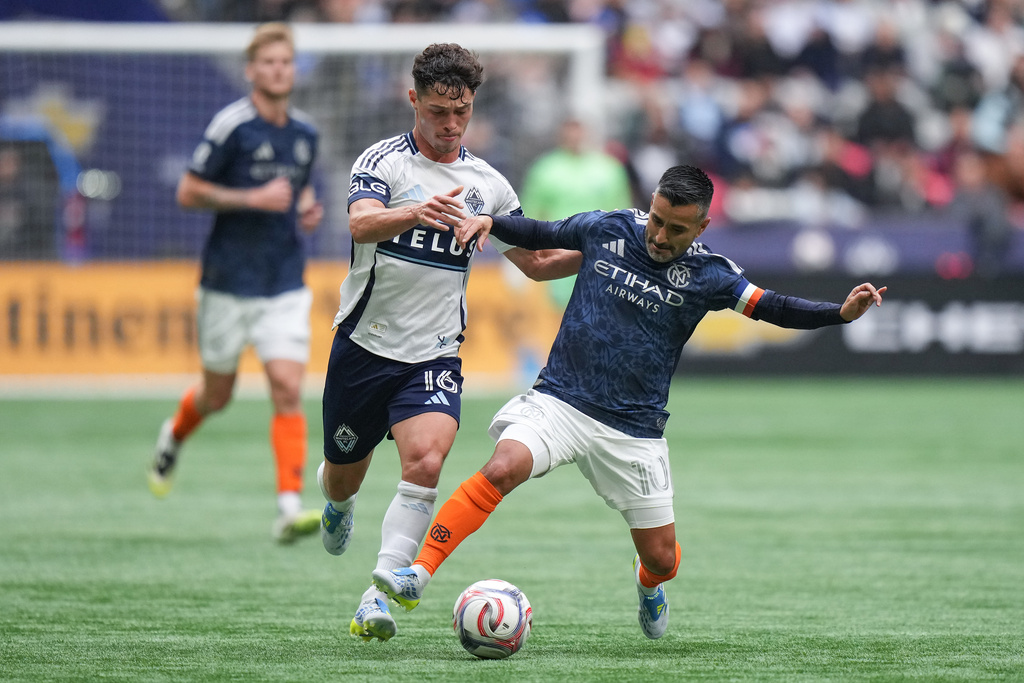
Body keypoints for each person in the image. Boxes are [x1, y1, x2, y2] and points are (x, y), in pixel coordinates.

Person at [372, 164, 886, 640]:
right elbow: (542, 232)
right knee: (503, 466)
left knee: (663, 559)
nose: (660, 236)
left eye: (676, 229)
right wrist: (491, 221)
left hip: (633, 430)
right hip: (561, 401)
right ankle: (419, 573)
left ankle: (648, 584)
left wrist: (838, 313)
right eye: (657, 220)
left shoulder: (712, 274)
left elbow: (773, 306)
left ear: (702, 227)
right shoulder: (610, 227)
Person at [318, 43, 580, 643]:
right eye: (439, 111)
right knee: (343, 475)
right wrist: (415, 213)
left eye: (461, 111)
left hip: (434, 353)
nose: (451, 124)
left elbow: (536, 262)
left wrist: (602, 254)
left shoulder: (488, 185)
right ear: (414, 100)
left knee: (427, 461)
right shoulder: (383, 163)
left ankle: (378, 595)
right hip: (364, 347)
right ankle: (337, 505)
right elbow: (359, 222)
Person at [148, 23, 325, 545]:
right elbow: (187, 191)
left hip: (284, 281)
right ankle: (174, 433)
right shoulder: (232, 126)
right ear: (251, 70)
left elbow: (299, 189)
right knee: (217, 395)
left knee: (287, 388)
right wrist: (251, 199)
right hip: (227, 282)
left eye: (285, 62)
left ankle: (288, 507)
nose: (279, 70)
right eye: (269, 62)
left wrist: (307, 208)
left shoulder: (306, 133)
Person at [519, 117, 632, 309]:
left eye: (578, 131)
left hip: (600, 255)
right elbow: (530, 215)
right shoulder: (544, 169)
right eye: (570, 131)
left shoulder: (609, 169)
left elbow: (622, 215)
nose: (575, 137)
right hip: (557, 255)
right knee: (558, 314)